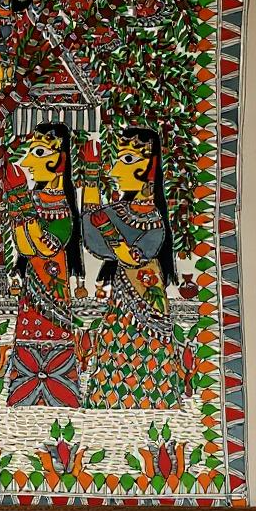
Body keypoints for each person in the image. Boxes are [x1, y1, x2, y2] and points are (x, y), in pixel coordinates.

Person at [81, 127, 184, 409]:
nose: (115, 171)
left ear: (149, 167)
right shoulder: (119, 211)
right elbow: (90, 233)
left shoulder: (153, 220)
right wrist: (91, 176)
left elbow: (133, 257)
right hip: (120, 305)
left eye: (127, 160)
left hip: (147, 305)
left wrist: (108, 230)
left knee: (149, 359)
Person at [4, 123, 83, 407]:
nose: (27, 163)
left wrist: (21, 199)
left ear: (59, 159)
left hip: (54, 287)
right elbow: (25, 247)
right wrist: (19, 199)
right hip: (32, 289)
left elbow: (47, 246)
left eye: (37, 153)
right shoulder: (34, 199)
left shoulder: (62, 203)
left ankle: (59, 392)